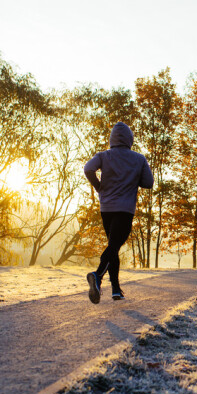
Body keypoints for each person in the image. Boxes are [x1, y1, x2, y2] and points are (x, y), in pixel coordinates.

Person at [83, 121, 154, 303]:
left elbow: (88, 168)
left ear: (111, 139)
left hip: (106, 208)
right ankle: (97, 275)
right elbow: (148, 182)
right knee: (113, 246)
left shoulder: (103, 156)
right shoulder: (138, 159)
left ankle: (115, 289)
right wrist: (131, 176)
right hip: (125, 209)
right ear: (130, 139)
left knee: (112, 247)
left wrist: (99, 187)